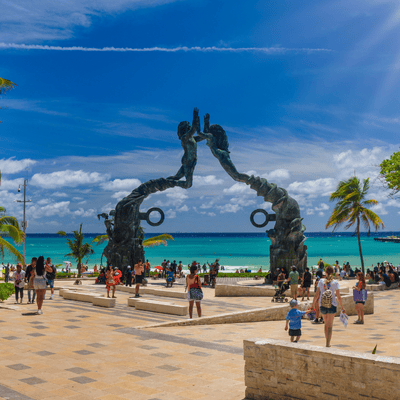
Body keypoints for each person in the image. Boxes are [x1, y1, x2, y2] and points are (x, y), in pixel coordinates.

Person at [167, 107, 202, 189]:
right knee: (188, 184)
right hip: (188, 162)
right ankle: (170, 183)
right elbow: (194, 129)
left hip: (191, 162)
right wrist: (195, 116)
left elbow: (202, 136)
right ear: (185, 129)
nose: (190, 128)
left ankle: (168, 182)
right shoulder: (185, 138)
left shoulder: (192, 139)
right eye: (188, 127)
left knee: (176, 177)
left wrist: (204, 122)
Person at [312, 266, 345, 347]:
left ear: (325, 273)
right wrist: (342, 307)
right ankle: (328, 343)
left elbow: (317, 294)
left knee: (326, 324)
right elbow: (338, 296)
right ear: (333, 272)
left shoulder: (321, 281)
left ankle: (326, 341)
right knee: (330, 325)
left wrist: (313, 305)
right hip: (332, 304)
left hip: (322, 305)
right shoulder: (335, 282)